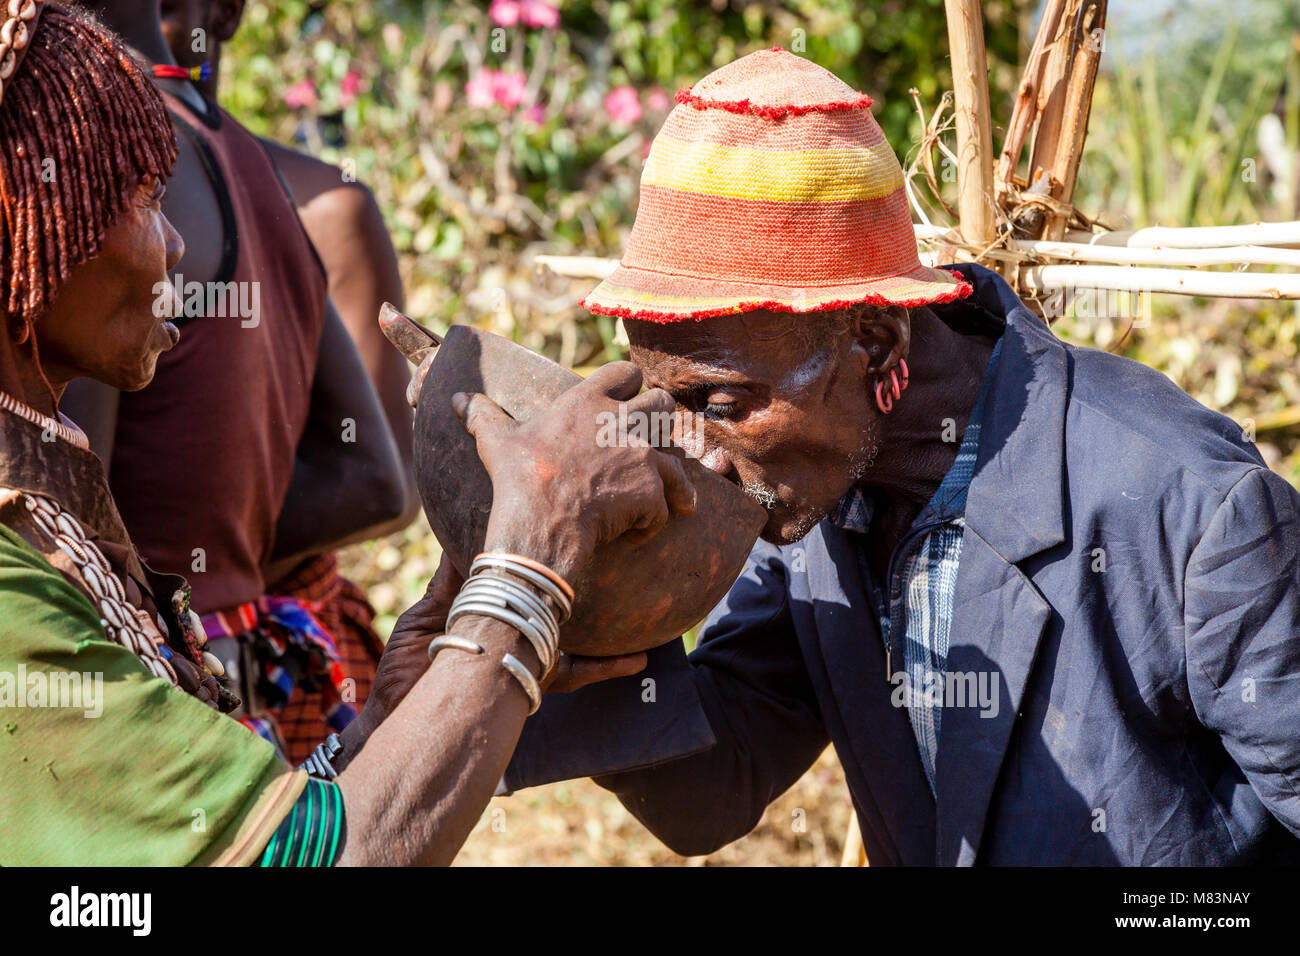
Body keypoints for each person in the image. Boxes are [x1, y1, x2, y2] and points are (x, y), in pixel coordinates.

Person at [484, 48, 1300, 865]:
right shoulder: (818, 504)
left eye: (721, 406)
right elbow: (718, 784)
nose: (699, 456)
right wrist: (599, 605)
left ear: (874, 341)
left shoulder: (1187, 509)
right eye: (670, 409)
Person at [0, 1, 650, 865]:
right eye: (144, 199)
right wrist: (531, 557)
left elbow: (282, 839)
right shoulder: (16, 582)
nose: (173, 246)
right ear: (29, 230)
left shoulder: (50, 504)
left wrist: (390, 716)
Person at [62, 0, 413, 764]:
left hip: (144, 696)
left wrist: (179, 573)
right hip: (233, 679)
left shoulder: (94, 144)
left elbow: (63, 513)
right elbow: (374, 480)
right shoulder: (243, 157)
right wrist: (208, 563)